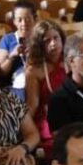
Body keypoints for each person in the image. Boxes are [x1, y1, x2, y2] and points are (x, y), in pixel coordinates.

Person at [24, 20, 67, 152]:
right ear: (39, 46)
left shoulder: (73, 60)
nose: (53, 44)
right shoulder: (34, 70)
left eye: (56, 38)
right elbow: (32, 105)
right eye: (47, 41)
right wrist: (24, 131)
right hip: (48, 119)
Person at [0, 0, 36, 100]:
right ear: (14, 21)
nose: (24, 23)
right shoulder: (8, 39)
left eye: (28, 19)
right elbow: (1, 72)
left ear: (34, 19)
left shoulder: (39, 38)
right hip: (18, 81)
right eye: (19, 20)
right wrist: (12, 55)